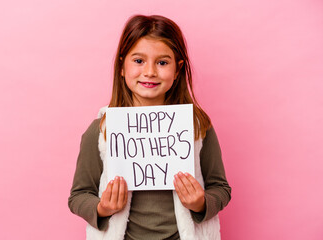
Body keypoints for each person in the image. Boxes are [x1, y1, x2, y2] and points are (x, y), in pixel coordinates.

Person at [68, 14, 231, 240]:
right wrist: (102, 209)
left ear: (177, 69)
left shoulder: (197, 126)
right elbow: (78, 195)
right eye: (138, 61)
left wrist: (201, 203)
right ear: (122, 66)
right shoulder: (102, 130)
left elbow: (220, 188)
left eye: (162, 62)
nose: (150, 72)